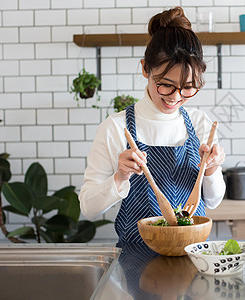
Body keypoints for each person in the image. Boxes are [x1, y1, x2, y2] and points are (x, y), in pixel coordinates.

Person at [79, 7, 226, 243]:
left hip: (193, 258)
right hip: (136, 263)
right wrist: (120, 176)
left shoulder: (200, 124)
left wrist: (211, 168)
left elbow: (213, 201)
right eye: (166, 85)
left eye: (188, 87)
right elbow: (88, 207)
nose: (176, 97)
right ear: (146, 68)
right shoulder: (115, 128)